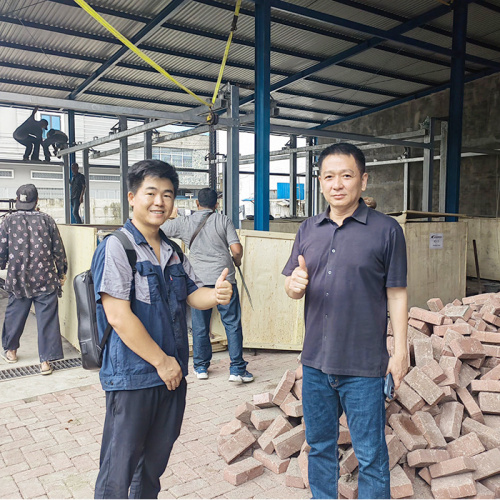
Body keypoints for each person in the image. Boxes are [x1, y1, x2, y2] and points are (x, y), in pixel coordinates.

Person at [91, 160, 233, 498]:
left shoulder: (171, 250)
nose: (159, 202)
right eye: (151, 193)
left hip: (170, 377)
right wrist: (162, 362)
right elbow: (118, 316)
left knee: (152, 467)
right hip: (134, 377)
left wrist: (216, 294)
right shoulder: (117, 247)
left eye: (167, 195)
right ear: (132, 197)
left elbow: (191, 294)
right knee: (118, 468)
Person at [282, 143, 408, 499]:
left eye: (347, 175)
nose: (337, 184)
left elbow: (397, 294)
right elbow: (293, 286)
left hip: (364, 367)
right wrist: (293, 287)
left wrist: (400, 352)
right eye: (329, 177)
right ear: (320, 183)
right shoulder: (308, 229)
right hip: (316, 365)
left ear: (363, 180)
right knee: (320, 448)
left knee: (370, 455)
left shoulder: (387, 231)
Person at [162, 188, 252, 383]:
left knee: (200, 326)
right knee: (232, 323)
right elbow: (236, 249)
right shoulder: (223, 220)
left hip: (197, 282)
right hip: (224, 279)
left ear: (196, 204)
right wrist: (237, 260)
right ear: (216, 204)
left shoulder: (185, 223)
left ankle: (201, 367)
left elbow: (158, 230)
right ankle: (237, 369)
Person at [0, 184, 67, 375]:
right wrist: (61, 271)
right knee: (47, 319)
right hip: (45, 277)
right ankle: (45, 362)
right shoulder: (47, 220)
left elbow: (1, 250)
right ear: (37, 201)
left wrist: (3, 264)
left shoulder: (8, 221)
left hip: (18, 279)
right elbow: (58, 249)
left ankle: (11, 351)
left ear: (18, 200)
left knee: (15, 314)